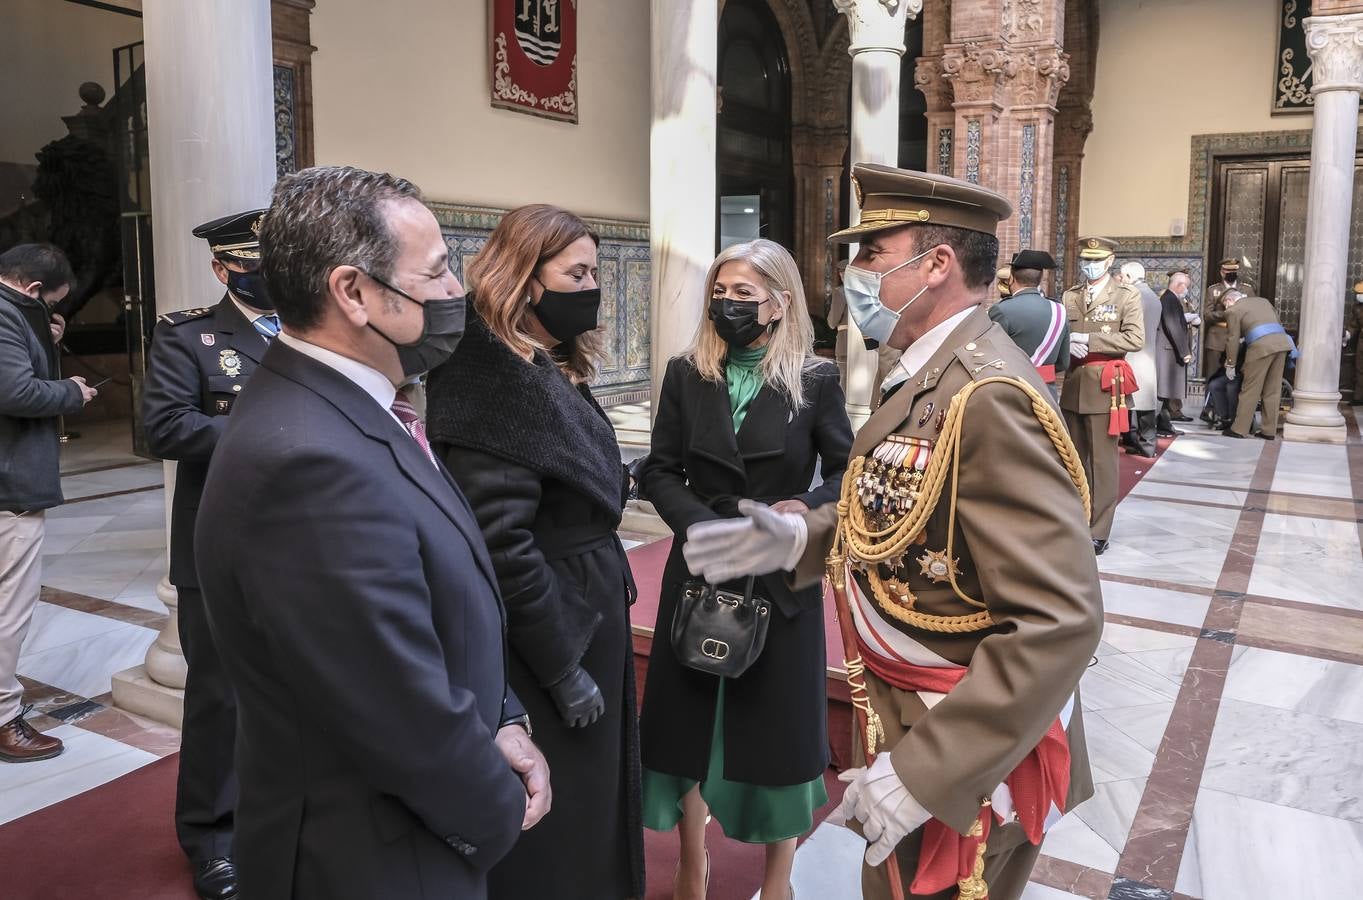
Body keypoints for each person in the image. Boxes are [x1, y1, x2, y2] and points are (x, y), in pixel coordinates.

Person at [680, 165, 1102, 900]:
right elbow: (899, 511)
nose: (854, 272)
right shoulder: (924, 373)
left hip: (962, 733)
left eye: (873, 253)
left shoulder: (985, 395)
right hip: (911, 710)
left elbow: (1058, 621)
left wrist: (922, 772)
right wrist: (803, 540)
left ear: (935, 265)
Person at [194, 166, 549, 900]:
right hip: (368, 855)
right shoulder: (307, 461)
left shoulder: (352, 408)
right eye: (438, 272)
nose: (456, 293)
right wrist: (495, 809)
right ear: (353, 293)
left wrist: (504, 717)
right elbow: (393, 702)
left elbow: (438, 600)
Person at [424, 204, 643, 900]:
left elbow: (559, 480)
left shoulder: (541, 361)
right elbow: (499, 542)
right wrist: (562, 667)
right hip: (547, 632)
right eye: (575, 272)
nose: (591, 286)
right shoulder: (490, 377)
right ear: (522, 275)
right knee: (561, 813)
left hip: (581, 604)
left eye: (594, 270)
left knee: (595, 792)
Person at [638, 238, 852, 900]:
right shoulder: (686, 372)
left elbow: (848, 472)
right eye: (719, 291)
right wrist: (697, 523)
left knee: (773, 731)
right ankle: (689, 866)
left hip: (776, 573)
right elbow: (661, 469)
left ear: (780, 302)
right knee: (690, 727)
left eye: (744, 294)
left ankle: (778, 880)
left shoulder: (814, 379)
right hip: (701, 565)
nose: (727, 304)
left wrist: (803, 511)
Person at [141, 208, 273, 900]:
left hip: (306, 549)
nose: (270, 274)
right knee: (220, 701)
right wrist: (274, 434)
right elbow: (162, 425)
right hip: (220, 550)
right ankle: (212, 839)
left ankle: (282, 816)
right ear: (223, 269)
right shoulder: (188, 336)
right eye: (254, 263)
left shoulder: (315, 332)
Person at [0, 243, 95, 763]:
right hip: (7, 485)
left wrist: (46, 338)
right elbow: (16, 392)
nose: (50, 315)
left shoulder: (14, 316)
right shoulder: (4, 315)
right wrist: (72, 392)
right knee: (8, 611)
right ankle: (4, 717)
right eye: (49, 305)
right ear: (32, 290)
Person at [1061, 237, 1144, 555]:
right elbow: (1061, 332)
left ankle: (1099, 528)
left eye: (1095, 260)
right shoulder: (1071, 295)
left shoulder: (1126, 295)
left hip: (1105, 386)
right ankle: (1077, 520)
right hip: (1073, 383)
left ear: (1110, 262)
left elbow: (1135, 337)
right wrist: (1068, 342)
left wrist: (1089, 339)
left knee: (1102, 462)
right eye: (1085, 259)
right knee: (1074, 459)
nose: (1089, 265)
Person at [987, 248, 1069, 399]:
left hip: (1012, 394)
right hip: (1046, 394)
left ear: (1011, 277)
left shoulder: (1002, 309)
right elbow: (1063, 362)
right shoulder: (1059, 310)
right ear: (1040, 278)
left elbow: (987, 356)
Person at [1223, 291, 1295, 440]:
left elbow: (1232, 339)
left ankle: (1239, 429)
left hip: (1261, 347)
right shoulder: (1263, 301)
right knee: (1273, 390)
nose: (1225, 308)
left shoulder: (1233, 310)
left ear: (1230, 300)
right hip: (1281, 344)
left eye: (1225, 304)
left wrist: (1231, 364)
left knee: (1250, 389)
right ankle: (1268, 431)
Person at [1115, 261, 1165, 457]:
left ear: (1128, 277)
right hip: (1147, 354)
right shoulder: (1153, 296)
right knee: (1143, 401)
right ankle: (1141, 441)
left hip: (1134, 353)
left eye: (1122, 276)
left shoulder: (1133, 296)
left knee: (1136, 401)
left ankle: (1144, 443)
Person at [1201, 257, 1251, 380]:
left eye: (1234, 272)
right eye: (1228, 272)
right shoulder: (1213, 290)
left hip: (1239, 337)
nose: (1231, 274)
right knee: (1213, 375)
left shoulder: (1247, 290)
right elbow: (1207, 315)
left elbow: (1251, 313)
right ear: (1222, 272)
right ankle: (1211, 399)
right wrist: (1227, 313)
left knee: (1236, 375)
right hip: (1216, 338)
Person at [1157, 271, 1195, 427]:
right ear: (1179, 285)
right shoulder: (1170, 299)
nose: (1186, 290)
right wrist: (1184, 351)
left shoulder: (1170, 298)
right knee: (1165, 391)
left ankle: (1165, 424)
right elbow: (1173, 326)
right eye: (1186, 286)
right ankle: (1162, 424)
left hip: (1170, 351)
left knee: (1168, 392)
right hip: (1169, 352)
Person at [827, 259, 849, 389]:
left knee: (844, 380)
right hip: (863, 341)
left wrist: (831, 321)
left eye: (842, 272)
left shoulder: (840, 292)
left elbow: (832, 321)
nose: (841, 275)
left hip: (845, 339)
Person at [1344, 280, 1363, 405]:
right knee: (1360, 368)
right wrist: (1347, 335)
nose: (1359, 295)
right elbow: (1353, 324)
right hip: (1362, 340)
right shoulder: (1357, 308)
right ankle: (1358, 398)